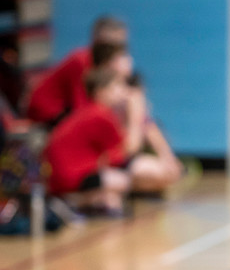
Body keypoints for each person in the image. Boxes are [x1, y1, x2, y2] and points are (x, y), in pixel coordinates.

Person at [43, 66, 176, 216]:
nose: (122, 91)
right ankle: (79, 200)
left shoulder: (92, 111)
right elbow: (130, 150)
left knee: (119, 189)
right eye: (116, 86)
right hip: (70, 179)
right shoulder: (100, 115)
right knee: (127, 181)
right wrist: (136, 113)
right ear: (101, 92)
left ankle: (93, 198)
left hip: (63, 177)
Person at [26, 15, 128, 127]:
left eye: (121, 46)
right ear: (96, 41)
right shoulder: (82, 61)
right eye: (110, 46)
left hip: (65, 111)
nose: (117, 52)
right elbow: (81, 108)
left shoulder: (105, 66)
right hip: (48, 112)